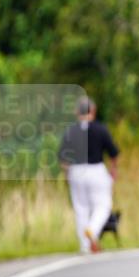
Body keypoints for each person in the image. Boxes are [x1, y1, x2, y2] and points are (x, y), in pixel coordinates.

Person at [58, 97, 119, 253]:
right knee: (103, 206)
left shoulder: (71, 130)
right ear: (93, 110)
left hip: (76, 171)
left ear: (77, 112)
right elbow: (113, 153)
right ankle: (92, 230)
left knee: (81, 209)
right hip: (96, 170)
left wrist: (67, 175)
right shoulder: (100, 129)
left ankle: (85, 247)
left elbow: (63, 157)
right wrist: (113, 169)